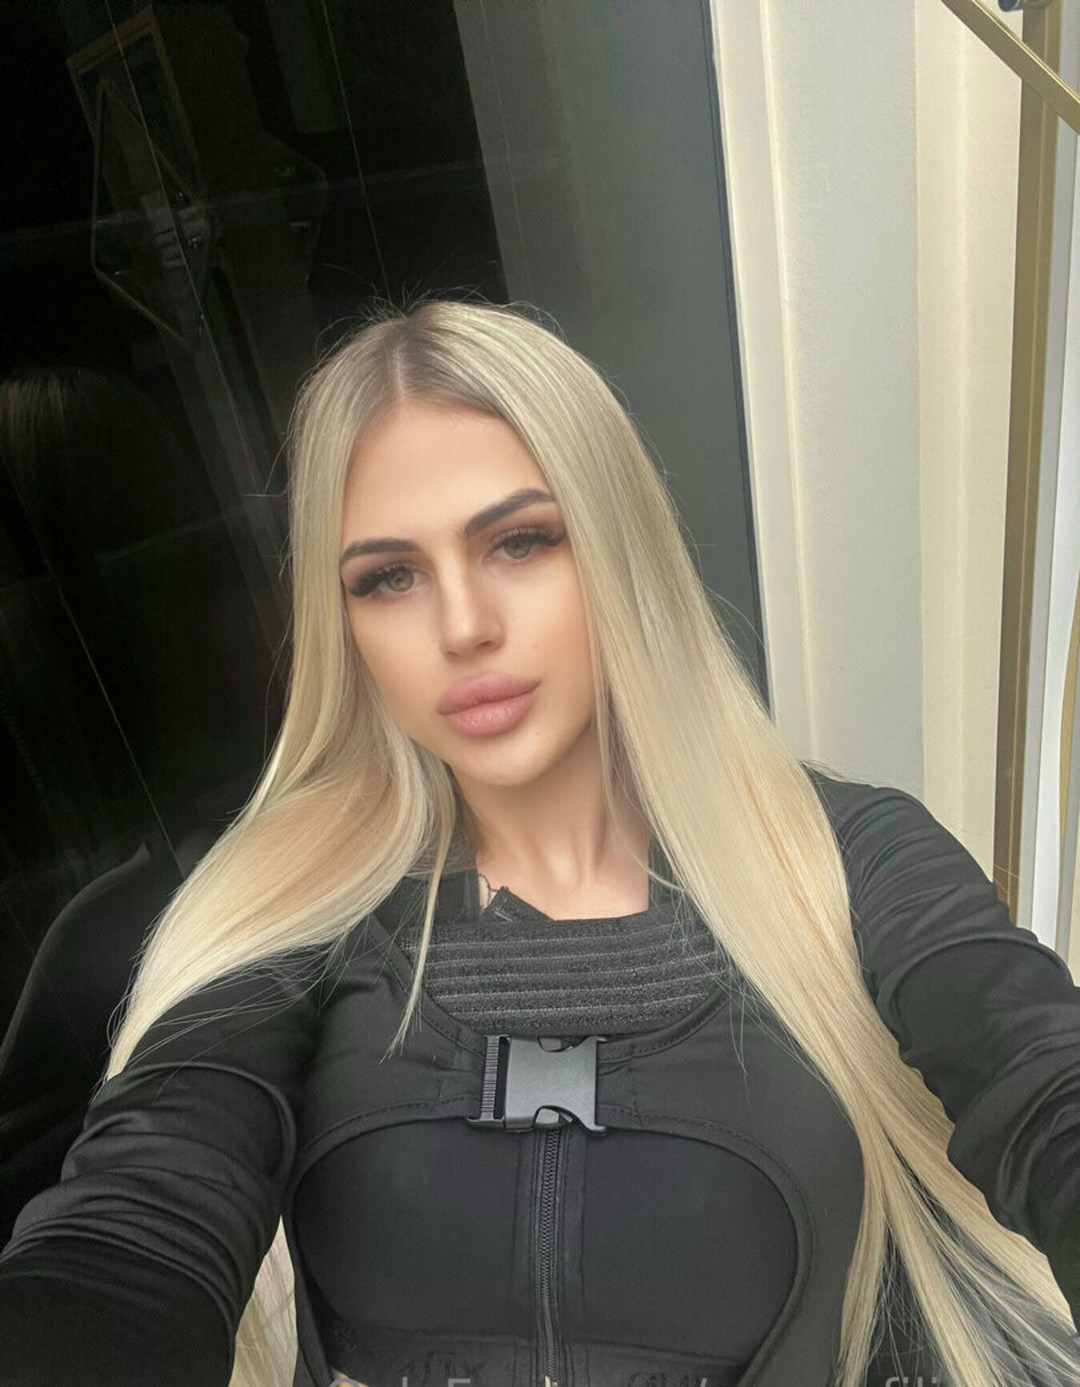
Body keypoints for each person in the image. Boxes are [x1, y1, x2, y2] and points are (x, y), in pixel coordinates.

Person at [1, 295, 1079, 1387]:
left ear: (616, 546)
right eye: (389, 576)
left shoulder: (848, 858)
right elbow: (131, 1223)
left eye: (519, 541)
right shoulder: (290, 906)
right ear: (347, 624)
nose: (463, 625)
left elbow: (1043, 1081)